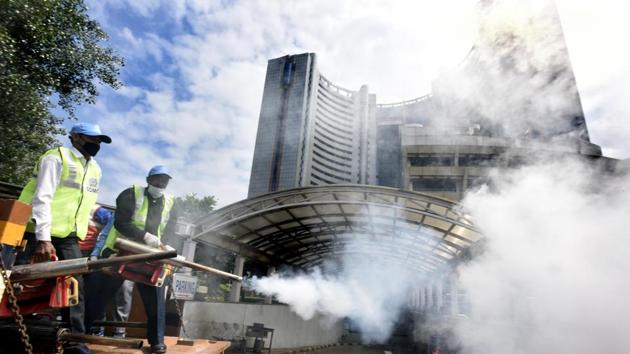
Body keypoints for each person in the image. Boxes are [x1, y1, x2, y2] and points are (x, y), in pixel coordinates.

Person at [17, 122, 111, 342]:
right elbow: (43, 197)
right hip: (37, 232)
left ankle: (75, 340)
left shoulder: (95, 168)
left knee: (74, 284)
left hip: (69, 235)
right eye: (92, 138)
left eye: (99, 140)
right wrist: (43, 238)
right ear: (76, 137)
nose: (96, 143)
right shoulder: (56, 157)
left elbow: (83, 201)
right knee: (22, 282)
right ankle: (13, 330)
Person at [85, 165, 175, 354]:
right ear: (149, 180)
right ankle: (82, 332)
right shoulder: (131, 194)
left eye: (165, 181)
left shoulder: (170, 202)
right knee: (99, 295)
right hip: (121, 251)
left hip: (148, 255)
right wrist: (145, 236)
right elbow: (120, 222)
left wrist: (166, 246)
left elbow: (169, 229)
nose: (161, 184)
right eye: (158, 180)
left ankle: (157, 341)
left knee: (155, 297)